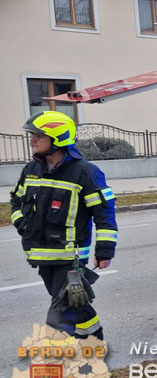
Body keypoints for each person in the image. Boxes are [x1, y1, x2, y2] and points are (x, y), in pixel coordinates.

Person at [10, 111, 117, 339]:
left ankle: (57, 361)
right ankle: (94, 340)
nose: (32, 139)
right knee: (75, 303)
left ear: (57, 139)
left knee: (60, 311)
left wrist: (105, 250)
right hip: (40, 254)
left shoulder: (85, 172)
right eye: (32, 135)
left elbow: (104, 214)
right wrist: (23, 224)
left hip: (70, 257)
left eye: (38, 135)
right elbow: (16, 201)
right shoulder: (31, 171)